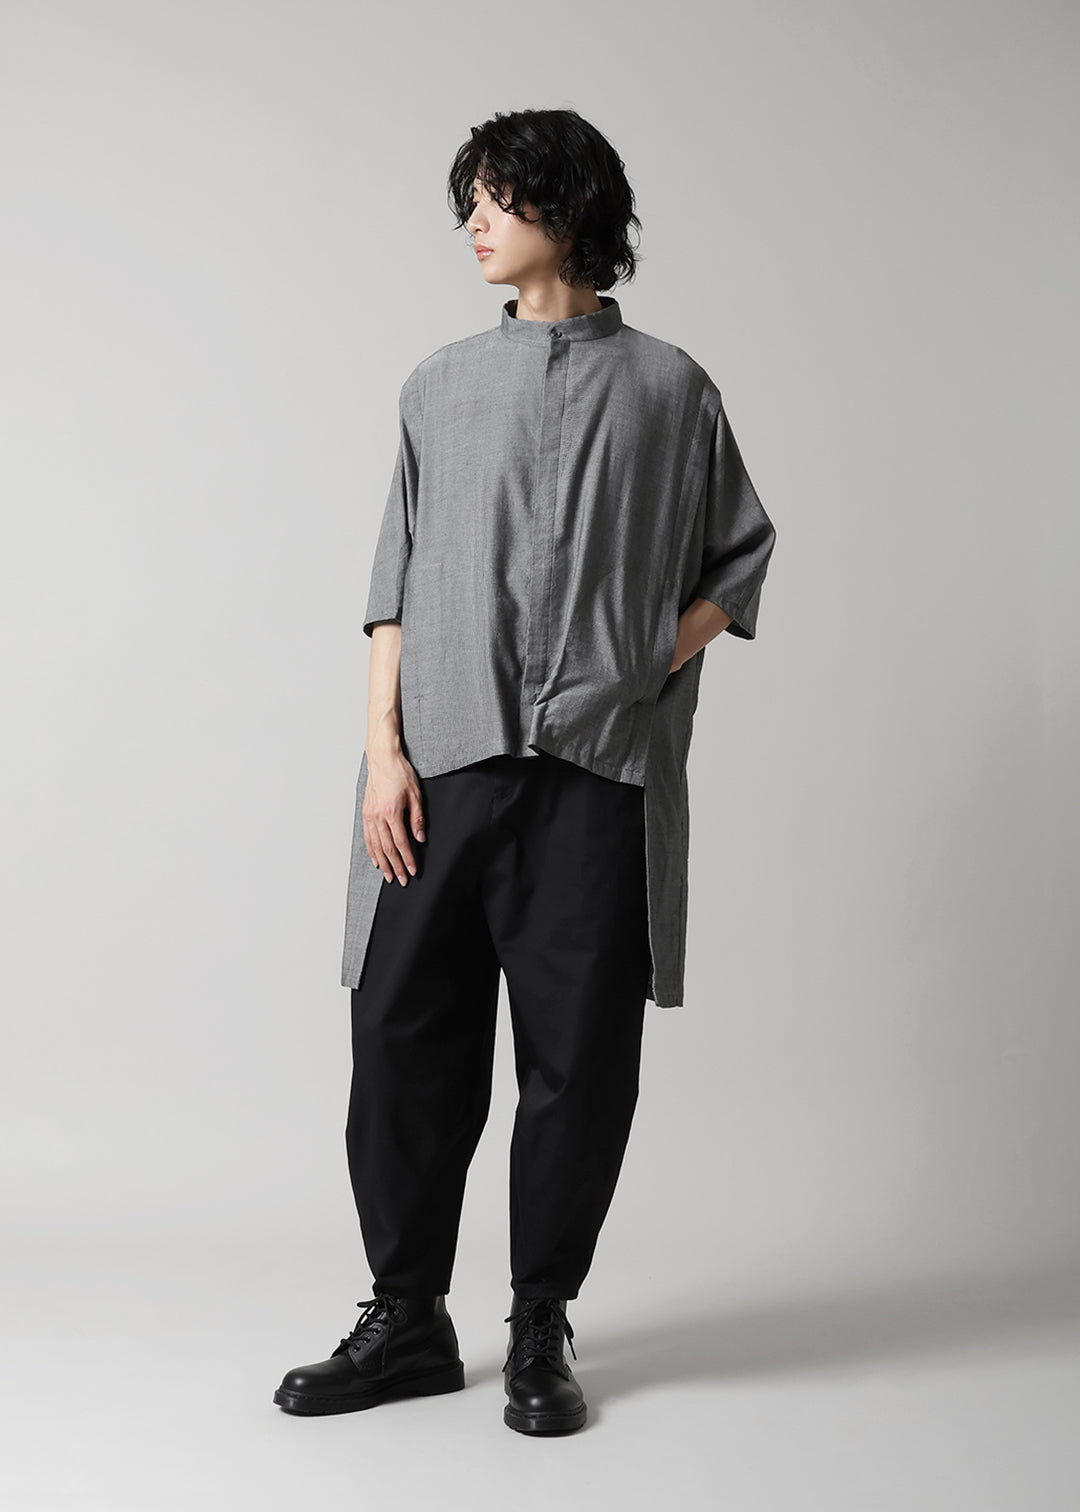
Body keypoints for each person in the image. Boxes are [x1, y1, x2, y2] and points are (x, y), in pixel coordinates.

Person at [274, 107, 777, 1435]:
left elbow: (739, 555)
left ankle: (540, 1324)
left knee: (577, 1061)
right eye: (471, 202)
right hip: (439, 767)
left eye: (497, 198)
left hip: (595, 776)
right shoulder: (438, 385)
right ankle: (406, 1320)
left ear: (569, 206)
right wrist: (381, 754)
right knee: (401, 1042)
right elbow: (393, 582)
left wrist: (643, 660)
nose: (475, 223)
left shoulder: (671, 389)